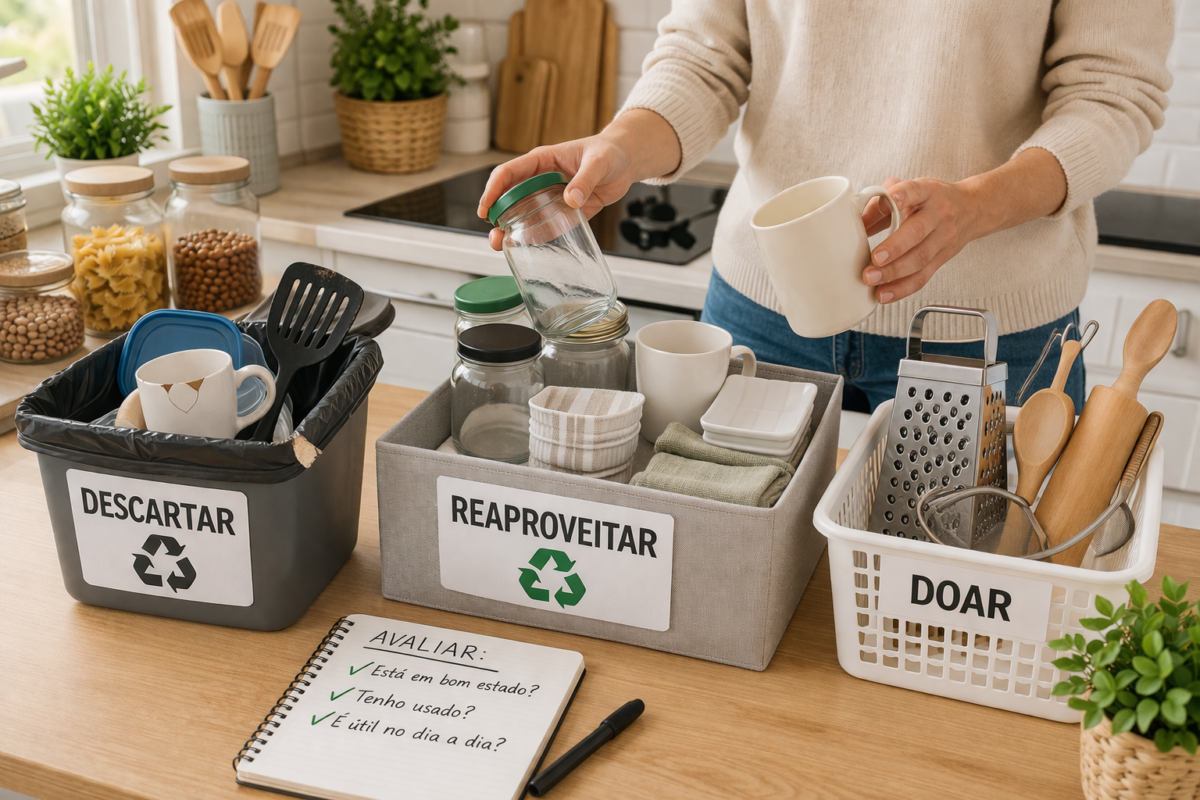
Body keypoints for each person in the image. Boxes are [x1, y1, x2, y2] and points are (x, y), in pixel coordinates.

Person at [478, 1, 1174, 412]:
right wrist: (622, 145)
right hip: (762, 311)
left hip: (989, 334)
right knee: (736, 587)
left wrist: (976, 206)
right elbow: (704, 58)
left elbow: (1112, 95)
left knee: (965, 615)